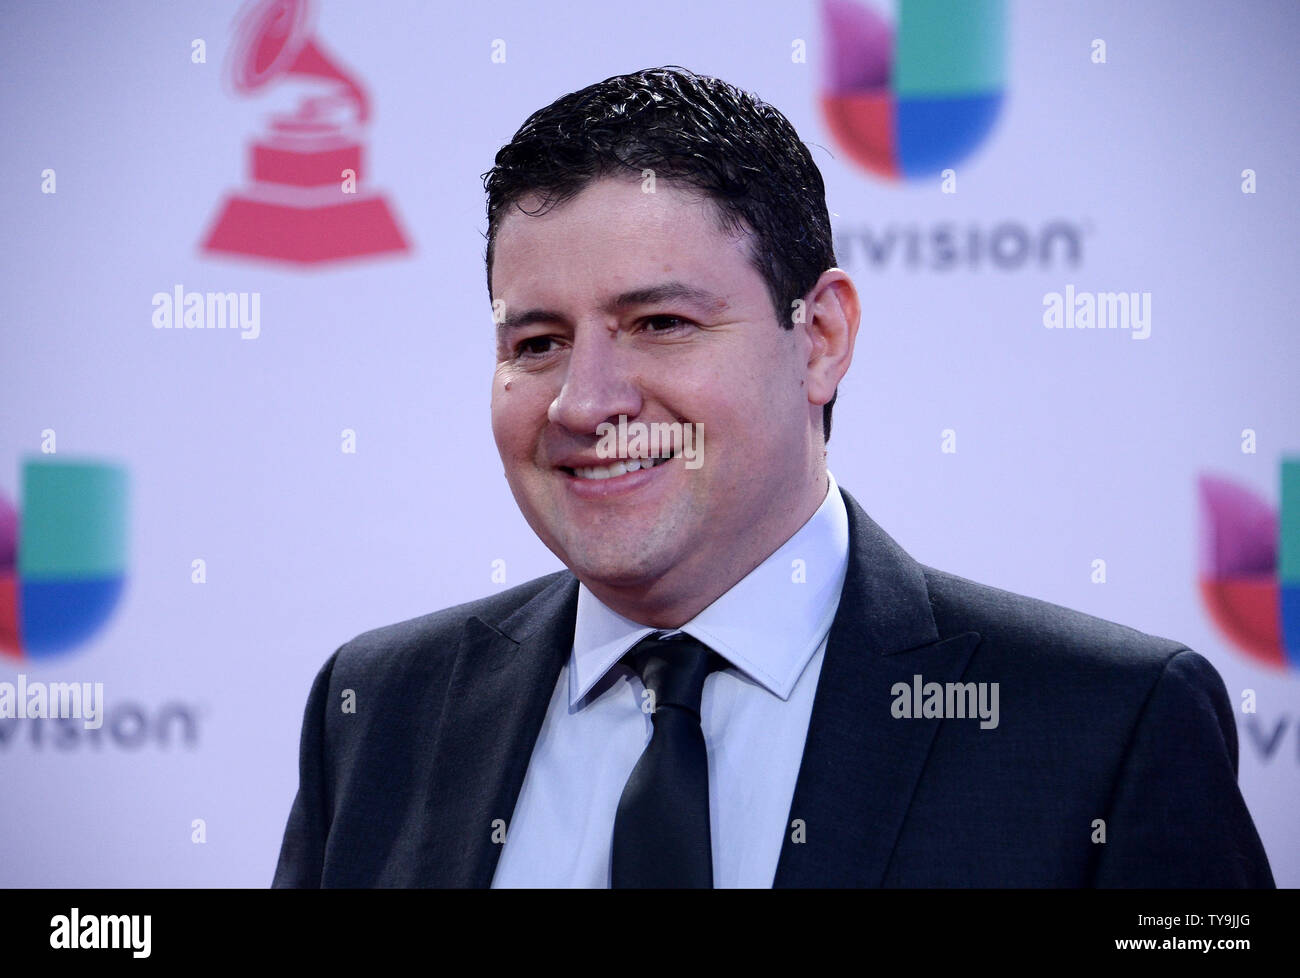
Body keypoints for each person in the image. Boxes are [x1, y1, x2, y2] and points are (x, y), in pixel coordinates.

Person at [272, 66, 1274, 888]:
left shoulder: (1103, 725)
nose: (583, 402)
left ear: (821, 338)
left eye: (658, 323)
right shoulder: (377, 709)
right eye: (537, 341)